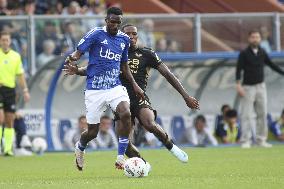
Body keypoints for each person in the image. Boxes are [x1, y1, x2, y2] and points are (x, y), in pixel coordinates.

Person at [64, 24, 199, 163]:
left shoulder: (147, 54)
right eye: (128, 34)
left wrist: (186, 96)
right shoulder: (115, 51)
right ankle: (142, 165)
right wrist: (78, 70)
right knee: (125, 144)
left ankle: (172, 147)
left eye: (134, 34)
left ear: (137, 36)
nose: (131, 37)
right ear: (122, 36)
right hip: (119, 100)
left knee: (149, 123)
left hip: (139, 98)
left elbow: (168, 74)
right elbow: (95, 68)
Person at [64, 7, 145, 171]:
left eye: (118, 22)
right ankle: (80, 147)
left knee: (126, 113)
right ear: (106, 20)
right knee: (92, 132)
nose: (115, 25)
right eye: (112, 21)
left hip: (114, 87)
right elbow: (79, 52)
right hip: (95, 89)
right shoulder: (96, 34)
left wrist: (135, 85)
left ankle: (120, 158)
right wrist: (72, 58)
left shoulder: (124, 40)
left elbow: (124, 66)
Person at [236, 29, 284, 148]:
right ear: (249, 39)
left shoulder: (262, 52)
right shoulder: (244, 53)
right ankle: (245, 140)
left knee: (262, 113)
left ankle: (261, 139)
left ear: (260, 39)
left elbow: (271, 64)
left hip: (261, 86)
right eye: (253, 37)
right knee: (247, 114)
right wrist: (238, 85)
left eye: (257, 37)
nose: (255, 39)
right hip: (248, 87)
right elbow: (239, 69)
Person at [0, 31, 30, 156]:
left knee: (9, 120)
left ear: (10, 41)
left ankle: (7, 149)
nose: (5, 42)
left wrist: (25, 90)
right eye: (3, 40)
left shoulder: (15, 56)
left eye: (7, 40)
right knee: (0, 117)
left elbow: (20, 75)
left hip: (10, 91)